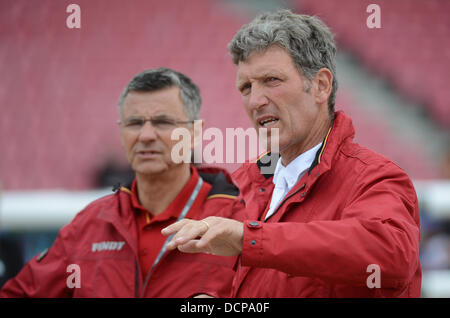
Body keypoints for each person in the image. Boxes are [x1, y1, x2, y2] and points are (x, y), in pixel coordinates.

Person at [162, 10, 422, 297]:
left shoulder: (375, 178)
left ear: (321, 86)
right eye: (246, 87)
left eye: (272, 80)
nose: (255, 101)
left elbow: (389, 255)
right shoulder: (240, 184)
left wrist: (249, 239)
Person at [0, 68, 240, 298]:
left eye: (163, 122)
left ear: (195, 134)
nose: (145, 136)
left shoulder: (238, 219)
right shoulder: (90, 223)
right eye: (134, 123)